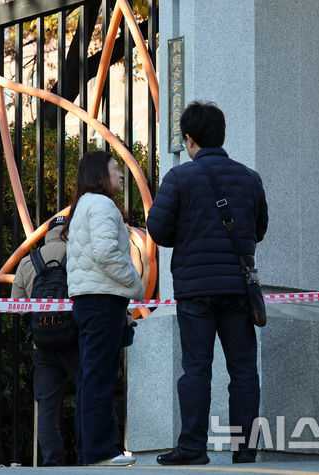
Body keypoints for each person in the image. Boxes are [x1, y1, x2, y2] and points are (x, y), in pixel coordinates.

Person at [146, 101, 268, 465]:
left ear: (189, 138)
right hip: (237, 288)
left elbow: (157, 229)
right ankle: (244, 450)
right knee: (243, 370)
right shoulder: (249, 177)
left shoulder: (179, 177)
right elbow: (258, 230)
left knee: (196, 368)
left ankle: (192, 448)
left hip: (195, 290)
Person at [62, 150, 145, 466]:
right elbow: (107, 254)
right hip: (102, 302)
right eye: (114, 168)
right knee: (100, 376)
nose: (121, 174)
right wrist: (134, 287)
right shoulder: (102, 205)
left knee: (90, 376)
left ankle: (90, 451)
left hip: (89, 300)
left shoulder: (84, 204)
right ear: (99, 175)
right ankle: (100, 452)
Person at [11, 216, 78, 466]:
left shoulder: (29, 261)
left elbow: (17, 305)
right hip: (76, 341)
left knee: (47, 406)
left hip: (43, 345)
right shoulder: (80, 257)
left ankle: (52, 463)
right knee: (88, 394)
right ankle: (89, 457)